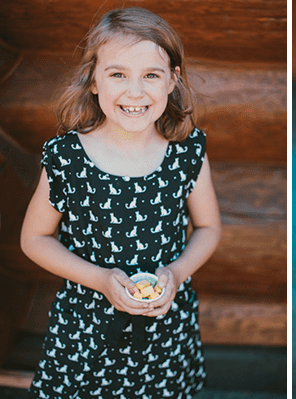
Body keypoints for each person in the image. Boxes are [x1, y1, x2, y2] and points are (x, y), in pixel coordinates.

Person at [19, 7, 221, 398]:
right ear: (94, 80)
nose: (135, 91)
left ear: (172, 81)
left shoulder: (187, 151)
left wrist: (176, 275)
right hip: (85, 334)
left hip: (164, 334)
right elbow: (34, 238)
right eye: (117, 75)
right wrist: (100, 280)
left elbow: (209, 228)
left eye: (150, 75)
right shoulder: (67, 159)